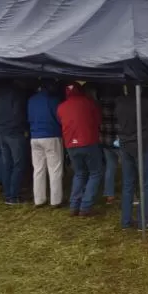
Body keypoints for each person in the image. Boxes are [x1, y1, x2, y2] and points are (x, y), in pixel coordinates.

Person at [115, 86, 148, 230]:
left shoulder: (119, 102)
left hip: (125, 146)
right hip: (143, 146)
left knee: (128, 184)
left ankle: (126, 221)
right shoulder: (145, 103)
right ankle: (143, 221)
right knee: (146, 184)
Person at [57, 84, 103, 217]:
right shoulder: (89, 103)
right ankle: (86, 206)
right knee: (95, 173)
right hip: (89, 142)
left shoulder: (61, 106)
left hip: (71, 144)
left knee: (79, 173)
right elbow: (98, 120)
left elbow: (61, 122)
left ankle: (74, 206)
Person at [27, 80, 64, 208]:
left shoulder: (31, 100)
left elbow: (29, 118)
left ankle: (39, 199)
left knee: (38, 169)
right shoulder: (53, 100)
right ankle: (56, 200)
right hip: (51, 135)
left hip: (35, 136)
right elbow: (59, 118)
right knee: (55, 169)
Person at [0, 81, 29, 205]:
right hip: (15, 133)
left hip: (2, 132)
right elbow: (18, 114)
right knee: (18, 164)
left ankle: (8, 194)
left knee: (7, 164)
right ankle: (14, 196)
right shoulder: (17, 96)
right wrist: (22, 128)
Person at [96, 84, 120, 205]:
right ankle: (133, 194)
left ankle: (109, 195)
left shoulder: (99, 104)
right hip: (119, 140)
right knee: (128, 167)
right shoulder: (120, 103)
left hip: (105, 140)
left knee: (110, 168)